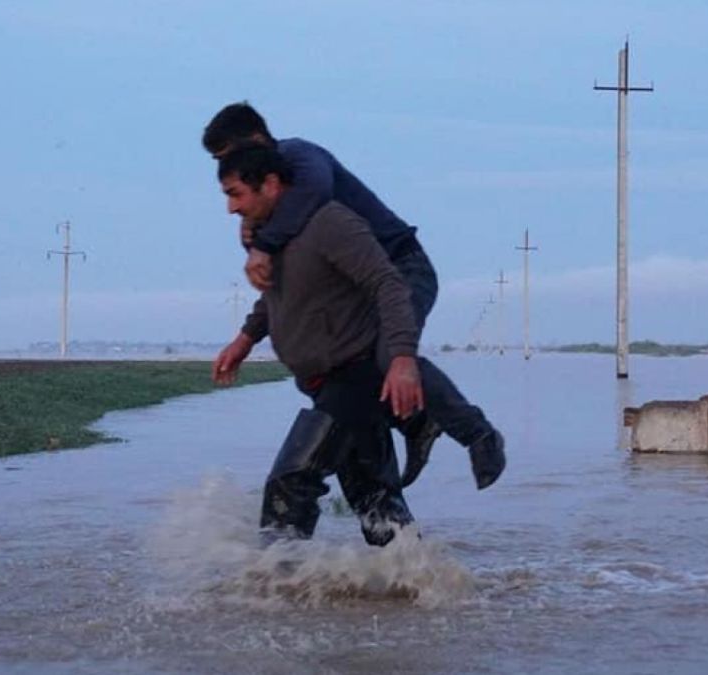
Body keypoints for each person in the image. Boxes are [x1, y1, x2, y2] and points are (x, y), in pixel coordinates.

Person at [204, 102, 505, 490]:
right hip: (354, 286)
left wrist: (263, 242)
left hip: (400, 266)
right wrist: (247, 335)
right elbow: (285, 292)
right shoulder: (277, 219)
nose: (225, 170)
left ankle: (477, 434)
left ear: (258, 143)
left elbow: (317, 190)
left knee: (388, 352)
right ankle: (409, 433)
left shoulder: (300, 160)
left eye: (229, 157)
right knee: (355, 386)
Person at [212, 144, 420, 545]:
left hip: (355, 377)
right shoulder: (277, 238)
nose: (230, 209)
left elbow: (389, 283)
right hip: (328, 384)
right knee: (377, 503)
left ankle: (273, 596)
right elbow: (281, 297)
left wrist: (402, 358)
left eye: (236, 194)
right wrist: (246, 337)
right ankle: (419, 591)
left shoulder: (328, 223)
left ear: (270, 184)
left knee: (290, 484)